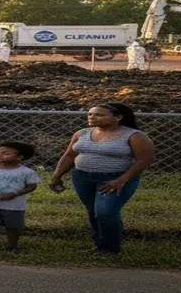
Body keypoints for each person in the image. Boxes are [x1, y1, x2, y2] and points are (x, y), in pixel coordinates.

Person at [49, 103, 155, 257]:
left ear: (118, 117)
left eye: (99, 115)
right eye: (90, 114)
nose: (92, 117)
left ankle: (109, 249)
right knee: (93, 211)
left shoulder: (134, 136)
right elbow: (69, 155)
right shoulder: (82, 133)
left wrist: (121, 180)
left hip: (115, 179)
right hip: (82, 177)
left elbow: (145, 160)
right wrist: (57, 175)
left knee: (106, 212)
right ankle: (99, 244)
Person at [0, 142, 40, 253]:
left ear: (19, 157)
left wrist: (15, 194)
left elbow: (32, 186)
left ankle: (12, 246)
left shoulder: (26, 172)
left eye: (5, 154)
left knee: (13, 226)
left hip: (13, 205)